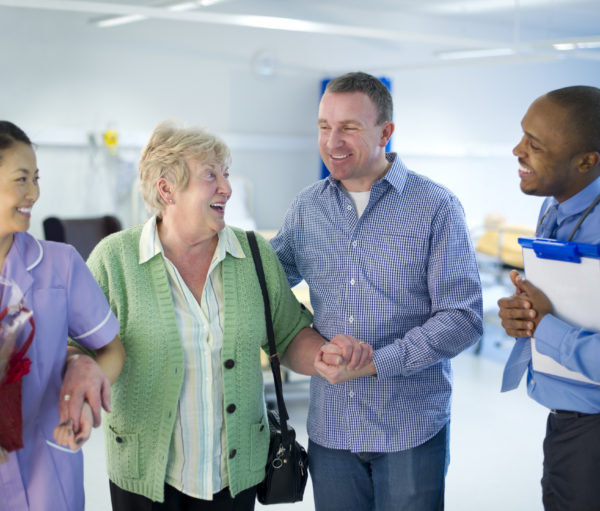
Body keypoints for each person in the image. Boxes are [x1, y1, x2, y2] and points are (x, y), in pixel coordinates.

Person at [86, 120, 371, 510]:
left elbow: (288, 335)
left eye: (226, 173)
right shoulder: (114, 260)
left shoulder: (254, 254)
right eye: (210, 175)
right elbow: (79, 347)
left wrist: (324, 357)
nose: (226, 187)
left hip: (233, 476)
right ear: (166, 189)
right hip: (145, 476)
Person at [271, 71, 483, 510]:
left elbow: (463, 318)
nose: (333, 141)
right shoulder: (307, 207)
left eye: (349, 127)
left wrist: (377, 364)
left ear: (386, 132)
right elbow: (266, 284)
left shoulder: (435, 206)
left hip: (409, 428)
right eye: (324, 127)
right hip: (332, 429)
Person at [0, 121, 125, 511]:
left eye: (35, 178)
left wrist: (89, 384)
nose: (34, 193)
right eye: (22, 179)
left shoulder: (60, 264)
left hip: (49, 470)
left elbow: (113, 351)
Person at [498, 86, 600, 511]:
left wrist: (545, 327)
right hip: (568, 426)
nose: (517, 150)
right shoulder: (556, 207)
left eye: (534, 145)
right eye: (523, 136)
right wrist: (521, 317)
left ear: (586, 161)